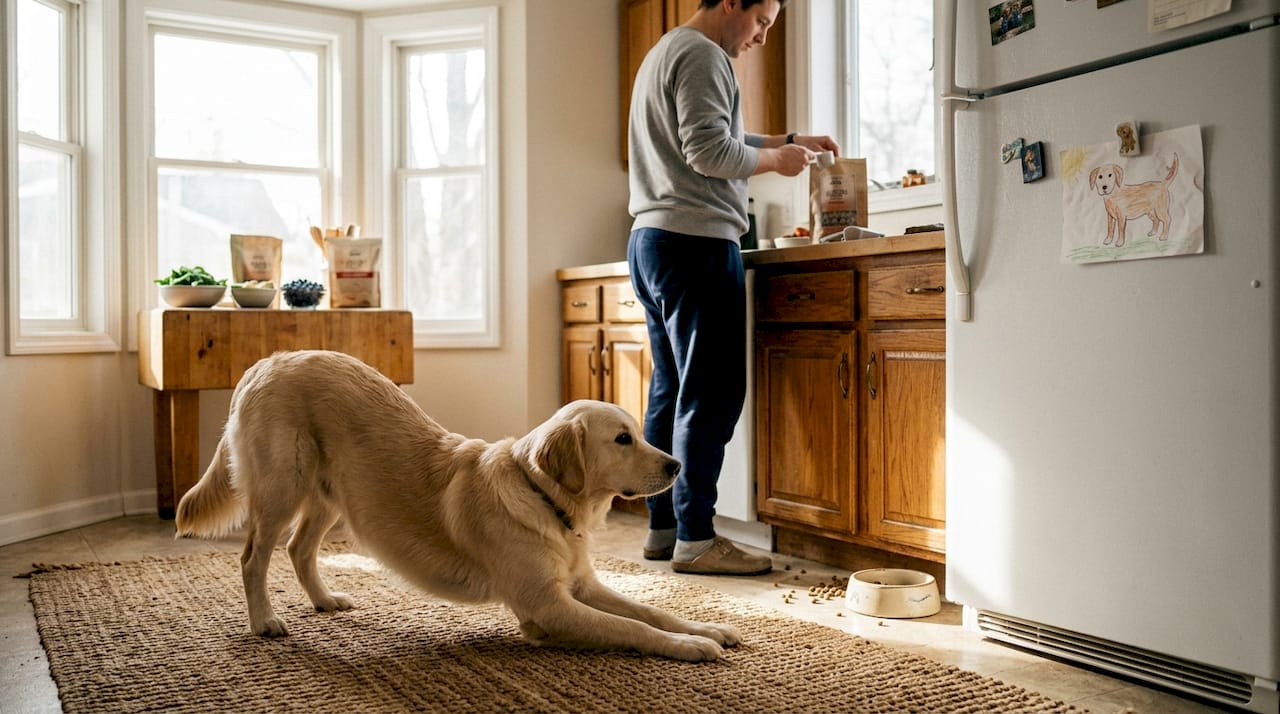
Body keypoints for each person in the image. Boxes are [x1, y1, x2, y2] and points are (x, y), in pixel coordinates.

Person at [626, 0, 839, 575]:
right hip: (694, 243)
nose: (763, 36)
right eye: (762, 20)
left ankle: (665, 529)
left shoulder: (666, 51)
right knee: (712, 394)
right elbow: (710, 151)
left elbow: (718, 132)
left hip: (654, 240)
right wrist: (777, 160)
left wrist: (790, 138)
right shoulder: (703, 54)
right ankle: (698, 538)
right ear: (729, 3)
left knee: (671, 392)